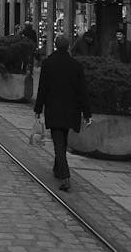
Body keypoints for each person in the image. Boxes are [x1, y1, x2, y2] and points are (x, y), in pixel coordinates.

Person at [34, 35, 91, 192]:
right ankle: (58, 168)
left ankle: (65, 175)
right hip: (71, 109)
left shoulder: (48, 63)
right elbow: (82, 91)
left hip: (54, 108)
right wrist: (87, 113)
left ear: (55, 46)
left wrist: (38, 109)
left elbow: (42, 89)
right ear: (67, 47)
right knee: (62, 139)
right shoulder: (76, 65)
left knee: (59, 142)